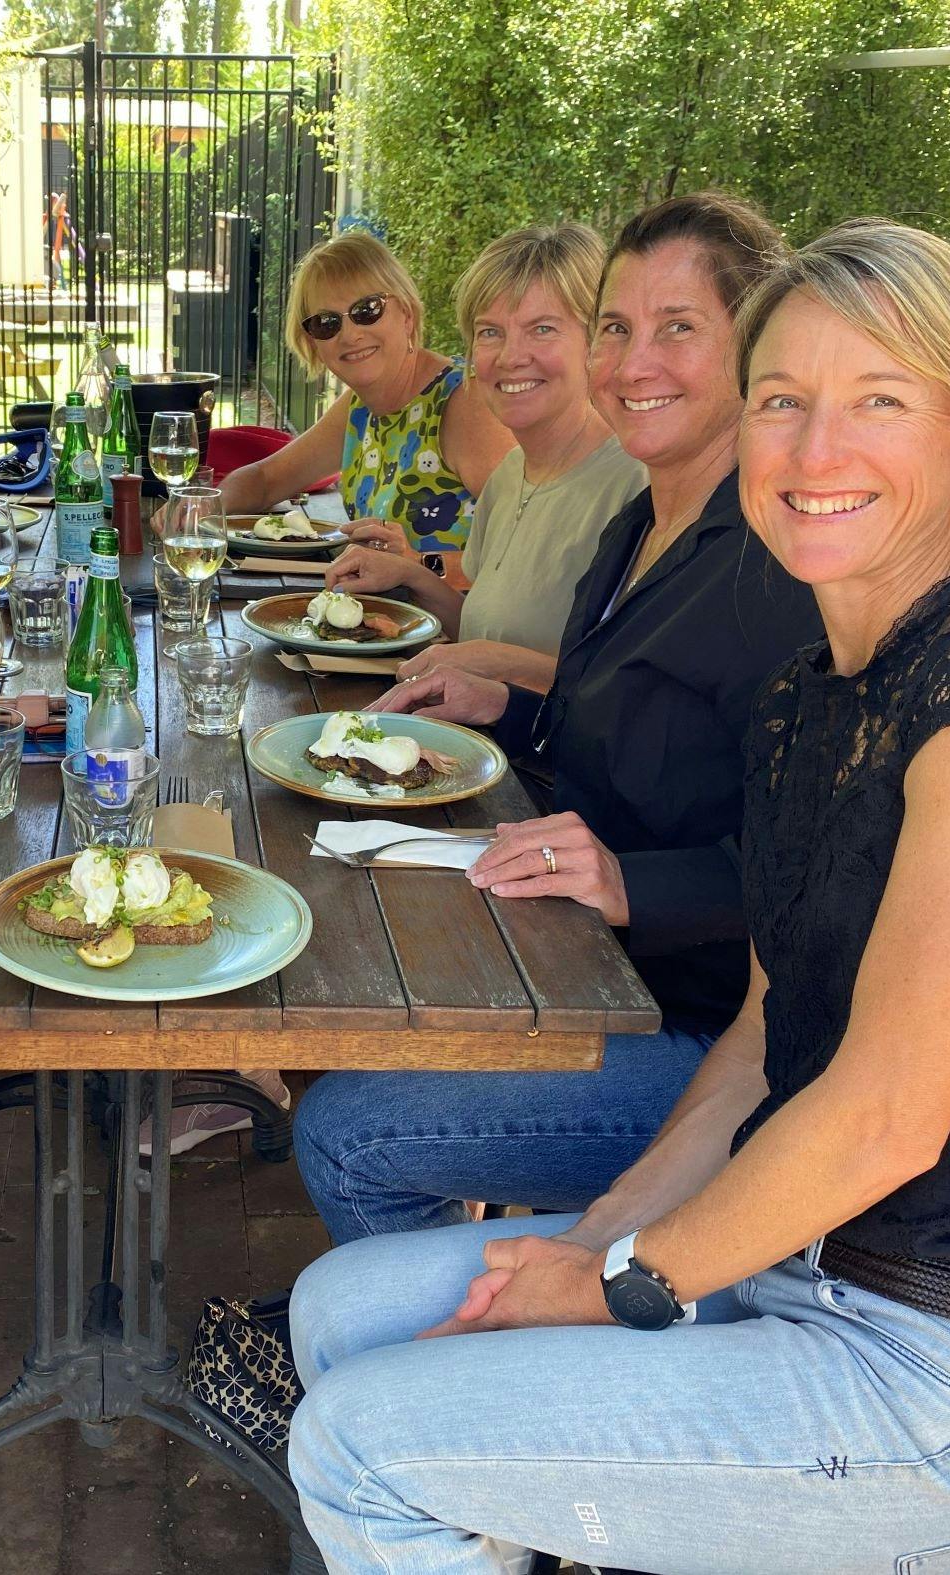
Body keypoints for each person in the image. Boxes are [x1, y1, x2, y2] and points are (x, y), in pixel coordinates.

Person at [287, 217, 950, 1575]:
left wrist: (617, 1281)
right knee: (339, 1309)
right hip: (792, 1261)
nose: (815, 450)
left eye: (879, 401)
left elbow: (883, 1116)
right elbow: (759, 1043)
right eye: (782, 402)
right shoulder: (814, 695)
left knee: (357, 1442)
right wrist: (584, 1246)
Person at [293, 192, 822, 1245]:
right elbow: (626, 739)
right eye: (617, 328)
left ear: (757, 348)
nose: (634, 362)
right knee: (332, 945)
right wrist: (512, 707)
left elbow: (816, 874)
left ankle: (491, 1324)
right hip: (580, 957)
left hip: (700, 1033)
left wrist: (628, 883)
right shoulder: (641, 526)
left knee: (346, 1130)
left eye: (679, 328)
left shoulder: (781, 567)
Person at [323, 224, 646, 689]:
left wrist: (499, 665)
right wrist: (412, 574)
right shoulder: (510, 473)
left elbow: (628, 691)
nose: (511, 356)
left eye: (542, 329)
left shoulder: (636, 487)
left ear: (595, 342)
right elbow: (480, 631)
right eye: (490, 332)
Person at [216, 229, 514, 566]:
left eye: (367, 310)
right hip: (376, 600)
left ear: (407, 314)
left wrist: (417, 564)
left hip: (457, 603)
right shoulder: (359, 408)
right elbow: (266, 480)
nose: (350, 335)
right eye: (326, 323)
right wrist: (200, 510)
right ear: (312, 341)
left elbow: (530, 553)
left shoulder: (464, 402)